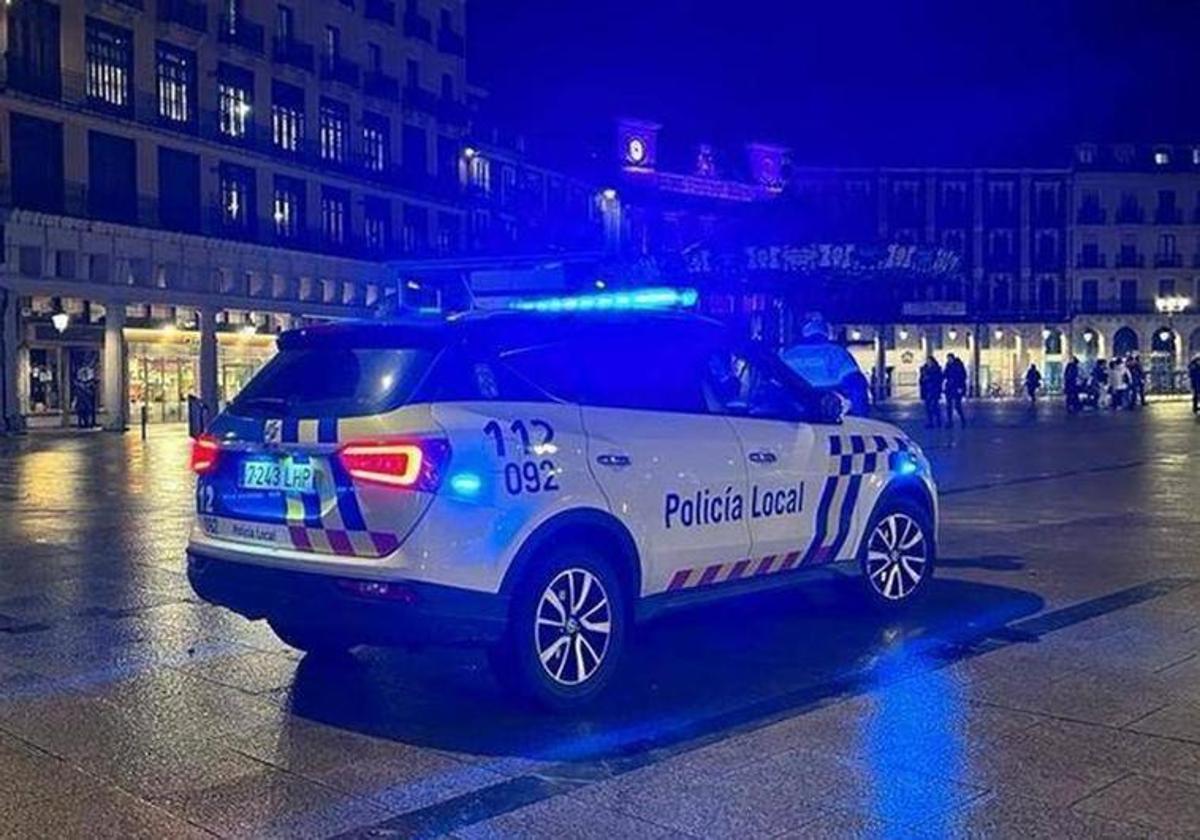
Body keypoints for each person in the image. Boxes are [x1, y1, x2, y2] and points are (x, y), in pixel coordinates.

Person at [919, 356, 944, 428]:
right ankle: (930, 422)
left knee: (934, 406)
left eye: (929, 361)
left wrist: (930, 378)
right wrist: (923, 381)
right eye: (927, 361)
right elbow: (921, 379)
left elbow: (939, 379)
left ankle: (938, 421)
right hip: (926, 390)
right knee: (927, 408)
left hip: (934, 390)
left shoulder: (937, 369)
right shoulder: (924, 369)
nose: (928, 362)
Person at [943, 352, 967, 427]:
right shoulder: (948, 366)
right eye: (948, 359)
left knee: (957, 405)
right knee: (948, 406)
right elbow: (945, 375)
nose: (949, 360)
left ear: (953, 358)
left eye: (950, 358)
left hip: (956, 388)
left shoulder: (958, 365)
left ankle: (963, 420)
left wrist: (960, 387)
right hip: (949, 388)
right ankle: (950, 422)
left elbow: (962, 377)